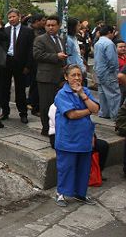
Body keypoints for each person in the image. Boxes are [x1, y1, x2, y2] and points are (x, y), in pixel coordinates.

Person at [53, 65, 100, 207]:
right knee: (66, 168)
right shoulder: (62, 94)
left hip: (84, 138)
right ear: (66, 77)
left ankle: (80, 193)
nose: (77, 78)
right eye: (73, 75)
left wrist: (83, 95)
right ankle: (60, 193)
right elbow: (72, 114)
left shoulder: (85, 91)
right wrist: (88, 111)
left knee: (83, 168)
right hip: (68, 139)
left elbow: (96, 109)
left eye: (79, 75)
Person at [33, 15, 67, 136]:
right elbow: (37, 55)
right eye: (48, 25)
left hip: (60, 76)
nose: (50, 27)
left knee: (57, 103)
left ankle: (56, 126)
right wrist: (55, 56)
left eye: (53, 25)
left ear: (58, 26)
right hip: (45, 77)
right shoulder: (40, 39)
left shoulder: (61, 39)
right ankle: (46, 128)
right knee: (46, 104)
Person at [3, 8, 34, 123]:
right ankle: (5, 112)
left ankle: (23, 113)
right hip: (7, 62)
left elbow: (31, 50)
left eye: (13, 16)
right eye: (9, 17)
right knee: (5, 89)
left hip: (21, 63)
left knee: (20, 89)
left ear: (19, 16)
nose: (11, 19)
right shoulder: (5, 30)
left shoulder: (28, 31)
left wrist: (28, 66)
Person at [94, 26, 121, 119]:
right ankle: (115, 116)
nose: (113, 35)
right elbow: (113, 61)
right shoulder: (109, 43)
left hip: (99, 72)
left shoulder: (98, 43)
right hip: (108, 73)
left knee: (102, 95)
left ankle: (104, 113)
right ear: (109, 32)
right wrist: (113, 71)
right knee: (114, 94)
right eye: (113, 33)